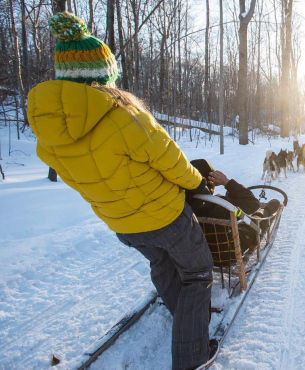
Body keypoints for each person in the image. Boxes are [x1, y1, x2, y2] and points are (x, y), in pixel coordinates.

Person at [26, 12, 215, 370]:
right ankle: (193, 355)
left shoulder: (48, 137)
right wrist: (197, 183)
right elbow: (171, 160)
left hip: (123, 226)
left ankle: (184, 320)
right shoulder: (124, 116)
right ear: (104, 75)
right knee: (197, 273)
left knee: (161, 264)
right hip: (166, 216)